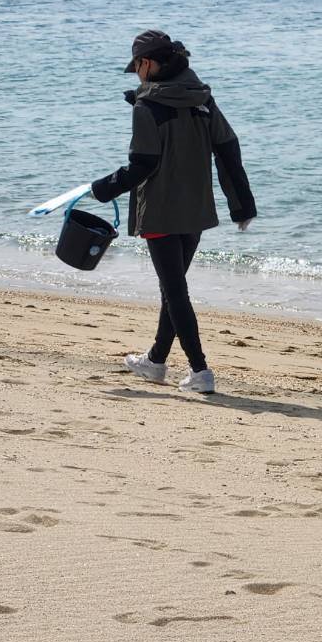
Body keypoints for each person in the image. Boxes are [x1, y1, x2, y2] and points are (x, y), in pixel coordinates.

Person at [84, 30, 256, 394]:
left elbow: (142, 165)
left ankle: (200, 371)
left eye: (137, 68)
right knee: (172, 289)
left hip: (161, 211)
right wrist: (241, 204)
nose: (137, 75)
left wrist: (103, 189)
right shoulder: (202, 100)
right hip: (196, 208)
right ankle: (156, 362)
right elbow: (228, 149)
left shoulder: (148, 107)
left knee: (175, 292)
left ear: (147, 64)